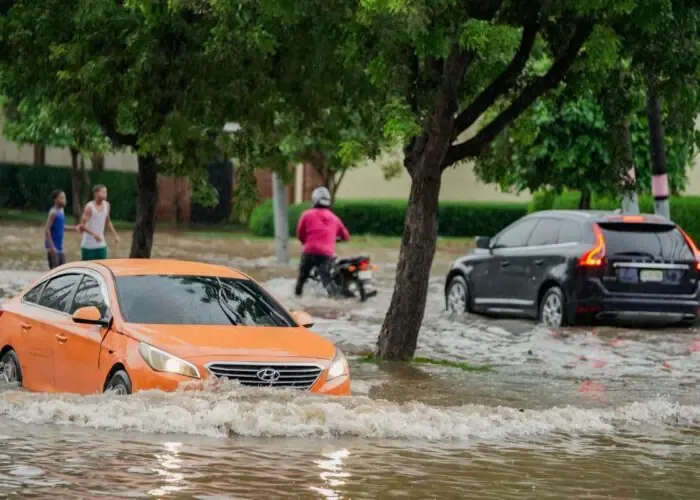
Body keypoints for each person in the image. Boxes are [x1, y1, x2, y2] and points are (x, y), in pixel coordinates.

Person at [295, 186, 350, 297]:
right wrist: (333, 239)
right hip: (326, 254)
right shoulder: (334, 218)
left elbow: (300, 234)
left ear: (314, 199)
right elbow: (346, 236)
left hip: (309, 252)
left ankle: (297, 297)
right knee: (327, 279)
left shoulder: (306, 215)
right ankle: (335, 299)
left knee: (302, 278)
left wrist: (305, 242)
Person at [79, 184, 120, 261]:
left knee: (102, 266)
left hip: (101, 244)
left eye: (106, 192)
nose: (105, 194)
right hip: (88, 246)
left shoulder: (107, 205)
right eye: (103, 192)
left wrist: (115, 235)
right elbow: (82, 225)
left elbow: (108, 221)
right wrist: (94, 234)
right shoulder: (89, 207)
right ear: (96, 193)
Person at [44, 189, 66, 269]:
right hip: (53, 249)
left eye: (64, 198)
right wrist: (52, 248)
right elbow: (46, 230)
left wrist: (75, 228)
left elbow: (61, 227)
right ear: (56, 200)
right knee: (54, 273)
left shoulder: (62, 211)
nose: (64, 200)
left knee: (63, 271)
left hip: (60, 248)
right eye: (61, 198)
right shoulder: (53, 212)